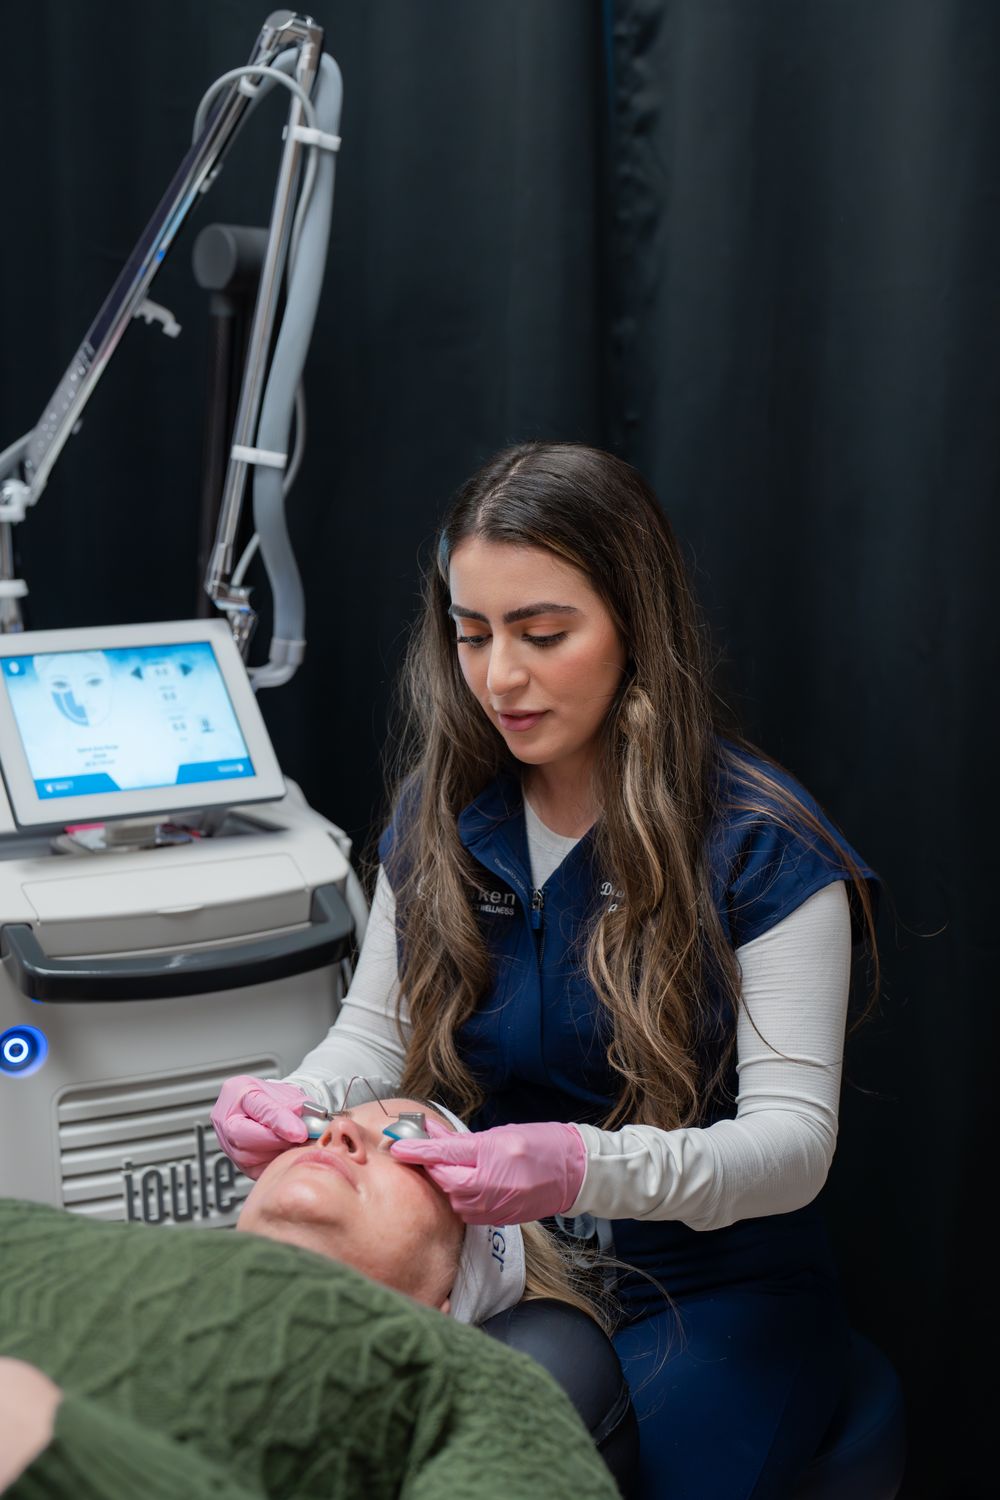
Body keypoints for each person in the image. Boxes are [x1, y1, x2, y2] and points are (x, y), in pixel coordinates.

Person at [212, 442, 880, 1500]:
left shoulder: (763, 849)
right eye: (471, 635)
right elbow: (372, 1038)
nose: (499, 679)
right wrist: (291, 1097)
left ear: (634, 626)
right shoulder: (441, 818)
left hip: (708, 1289)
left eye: (543, 634)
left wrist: (580, 1165)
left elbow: (792, 1150)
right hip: (495, 1265)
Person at [0, 1182, 618, 1500]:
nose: (335, 1135)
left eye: (408, 1153)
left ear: (449, 1297)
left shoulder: (495, 1388)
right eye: (319, 1123)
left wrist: (46, 1449)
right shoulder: (40, 1228)